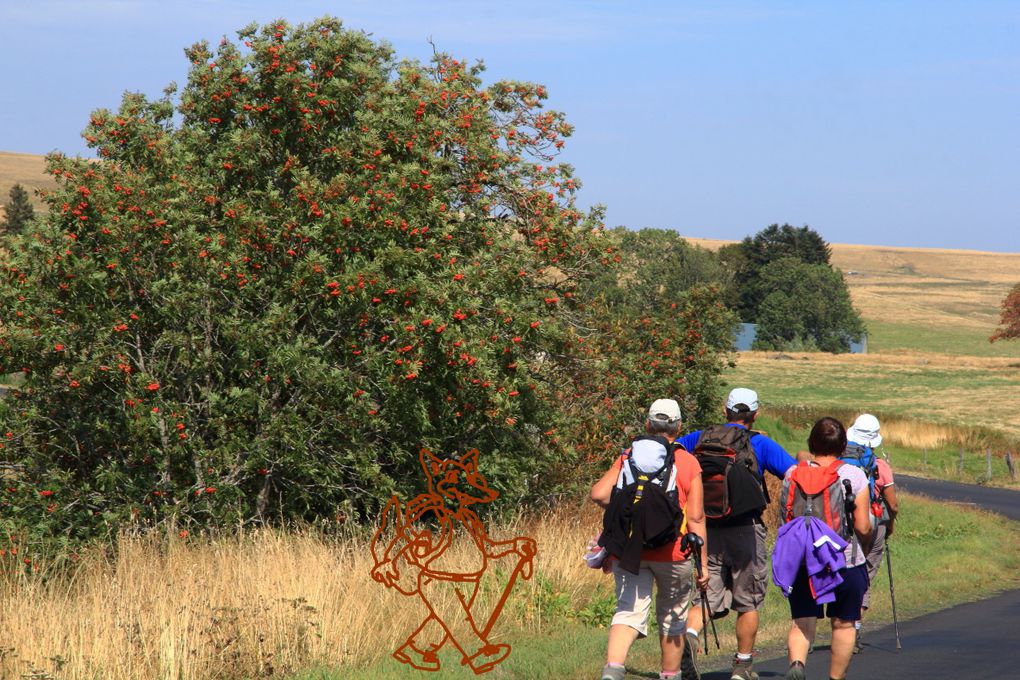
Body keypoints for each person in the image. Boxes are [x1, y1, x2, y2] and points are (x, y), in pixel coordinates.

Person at [676, 388, 798, 680]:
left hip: (708, 529)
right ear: (755, 414)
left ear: (724, 411)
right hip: (746, 530)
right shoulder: (761, 443)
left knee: (706, 596)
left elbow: (671, 452)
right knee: (748, 600)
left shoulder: (698, 439)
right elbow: (793, 474)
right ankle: (742, 667)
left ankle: (690, 636)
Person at [591, 399, 709, 680]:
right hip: (673, 552)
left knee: (628, 612)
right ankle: (670, 674)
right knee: (672, 619)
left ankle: (614, 670)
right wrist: (702, 566)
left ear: (647, 424)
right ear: (678, 427)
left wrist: (629, 505)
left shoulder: (628, 456)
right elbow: (696, 519)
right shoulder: (687, 462)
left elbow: (599, 494)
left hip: (631, 549)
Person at [781, 417, 874, 680]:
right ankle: (835, 678)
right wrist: (864, 547)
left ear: (811, 443)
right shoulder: (854, 476)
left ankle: (798, 664)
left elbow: (784, 517)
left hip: (803, 560)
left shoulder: (793, 474)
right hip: (845, 560)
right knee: (844, 624)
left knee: (803, 619)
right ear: (843, 445)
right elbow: (864, 526)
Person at [845, 414, 899, 653]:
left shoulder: (840, 462)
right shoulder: (881, 466)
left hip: (842, 524)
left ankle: (838, 624)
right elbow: (893, 505)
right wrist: (891, 524)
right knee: (865, 574)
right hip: (873, 523)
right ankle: (854, 629)